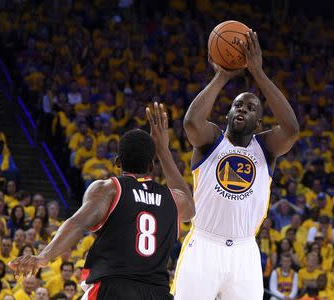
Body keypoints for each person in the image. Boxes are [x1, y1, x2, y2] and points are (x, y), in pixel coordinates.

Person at [10, 103, 195, 300]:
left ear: (118, 162)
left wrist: (44, 256)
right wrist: (164, 151)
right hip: (156, 293)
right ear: (151, 165)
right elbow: (191, 208)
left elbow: (76, 223)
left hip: (112, 287)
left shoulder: (109, 189)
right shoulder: (172, 199)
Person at [173, 30, 299, 299]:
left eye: (251, 108)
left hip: (245, 252)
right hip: (204, 244)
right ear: (228, 113)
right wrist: (222, 75)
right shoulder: (211, 141)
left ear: (259, 123)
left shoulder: (264, 148)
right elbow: (191, 123)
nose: (243, 109)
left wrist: (258, 73)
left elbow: (291, 130)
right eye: (238, 105)